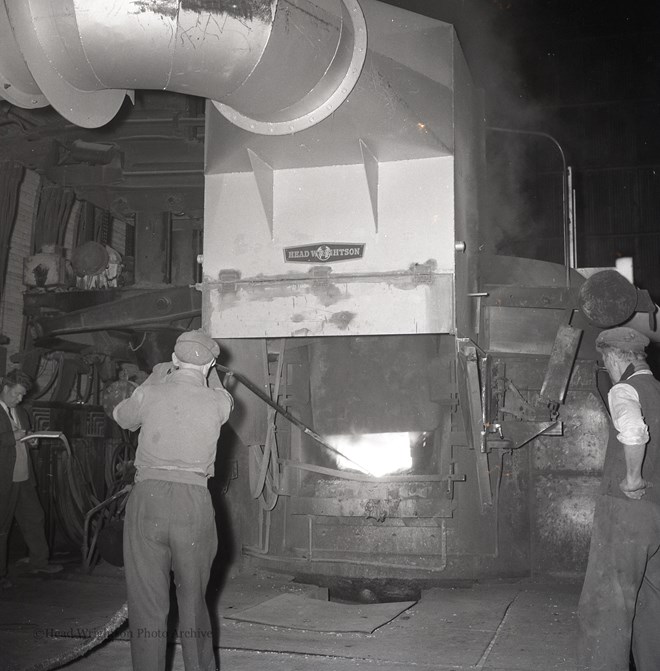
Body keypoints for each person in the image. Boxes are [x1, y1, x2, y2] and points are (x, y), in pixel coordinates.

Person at [113, 329, 233, 671]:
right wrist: (205, 373)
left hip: (147, 498)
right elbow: (217, 391)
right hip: (193, 503)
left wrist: (161, 373)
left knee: (147, 603)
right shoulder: (219, 402)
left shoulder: (150, 392)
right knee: (194, 600)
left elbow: (122, 417)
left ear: (176, 359)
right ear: (211, 364)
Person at [577, 326, 660, 671]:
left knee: (605, 608)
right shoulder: (656, 389)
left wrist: (632, 478)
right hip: (655, 516)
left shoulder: (625, 389)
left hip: (624, 512)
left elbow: (634, 432)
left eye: (605, 363)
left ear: (614, 357)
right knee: (648, 607)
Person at [0, 369, 63, 588]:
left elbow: (23, 436)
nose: (20, 399)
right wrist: (11, 437)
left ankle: (39, 562)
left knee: (35, 518)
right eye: (17, 394)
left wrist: (30, 441)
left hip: (24, 477)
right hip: (3, 480)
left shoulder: (22, 412)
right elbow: (8, 439)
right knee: (1, 527)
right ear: (5, 388)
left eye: (22, 395)